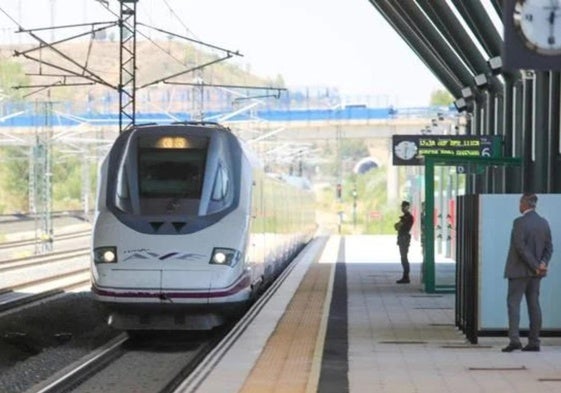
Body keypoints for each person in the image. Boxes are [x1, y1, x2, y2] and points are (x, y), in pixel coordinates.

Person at [502, 193, 553, 353]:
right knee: (534, 305)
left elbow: (520, 247)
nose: (519, 206)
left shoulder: (519, 222)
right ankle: (534, 341)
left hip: (519, 271)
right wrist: (542, 264)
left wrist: (534, 265)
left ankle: (515, 340)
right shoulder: (543, 223)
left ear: (524, 204)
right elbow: (549, 247)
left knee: (514, 304)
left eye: (520, 202)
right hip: (536, 273)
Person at [394, 200, 414, 284]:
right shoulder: (404, 217)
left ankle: (406, 276)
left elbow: (399, 226)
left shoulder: (408, 217)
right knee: (403, 258)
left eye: (404, 207)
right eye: (402, 206)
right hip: (402, 237)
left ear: (407, 207)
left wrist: (398, 225)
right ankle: (405, 276)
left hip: (404, 238)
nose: (402, 208)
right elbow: (396, 226)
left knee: (404, 257)